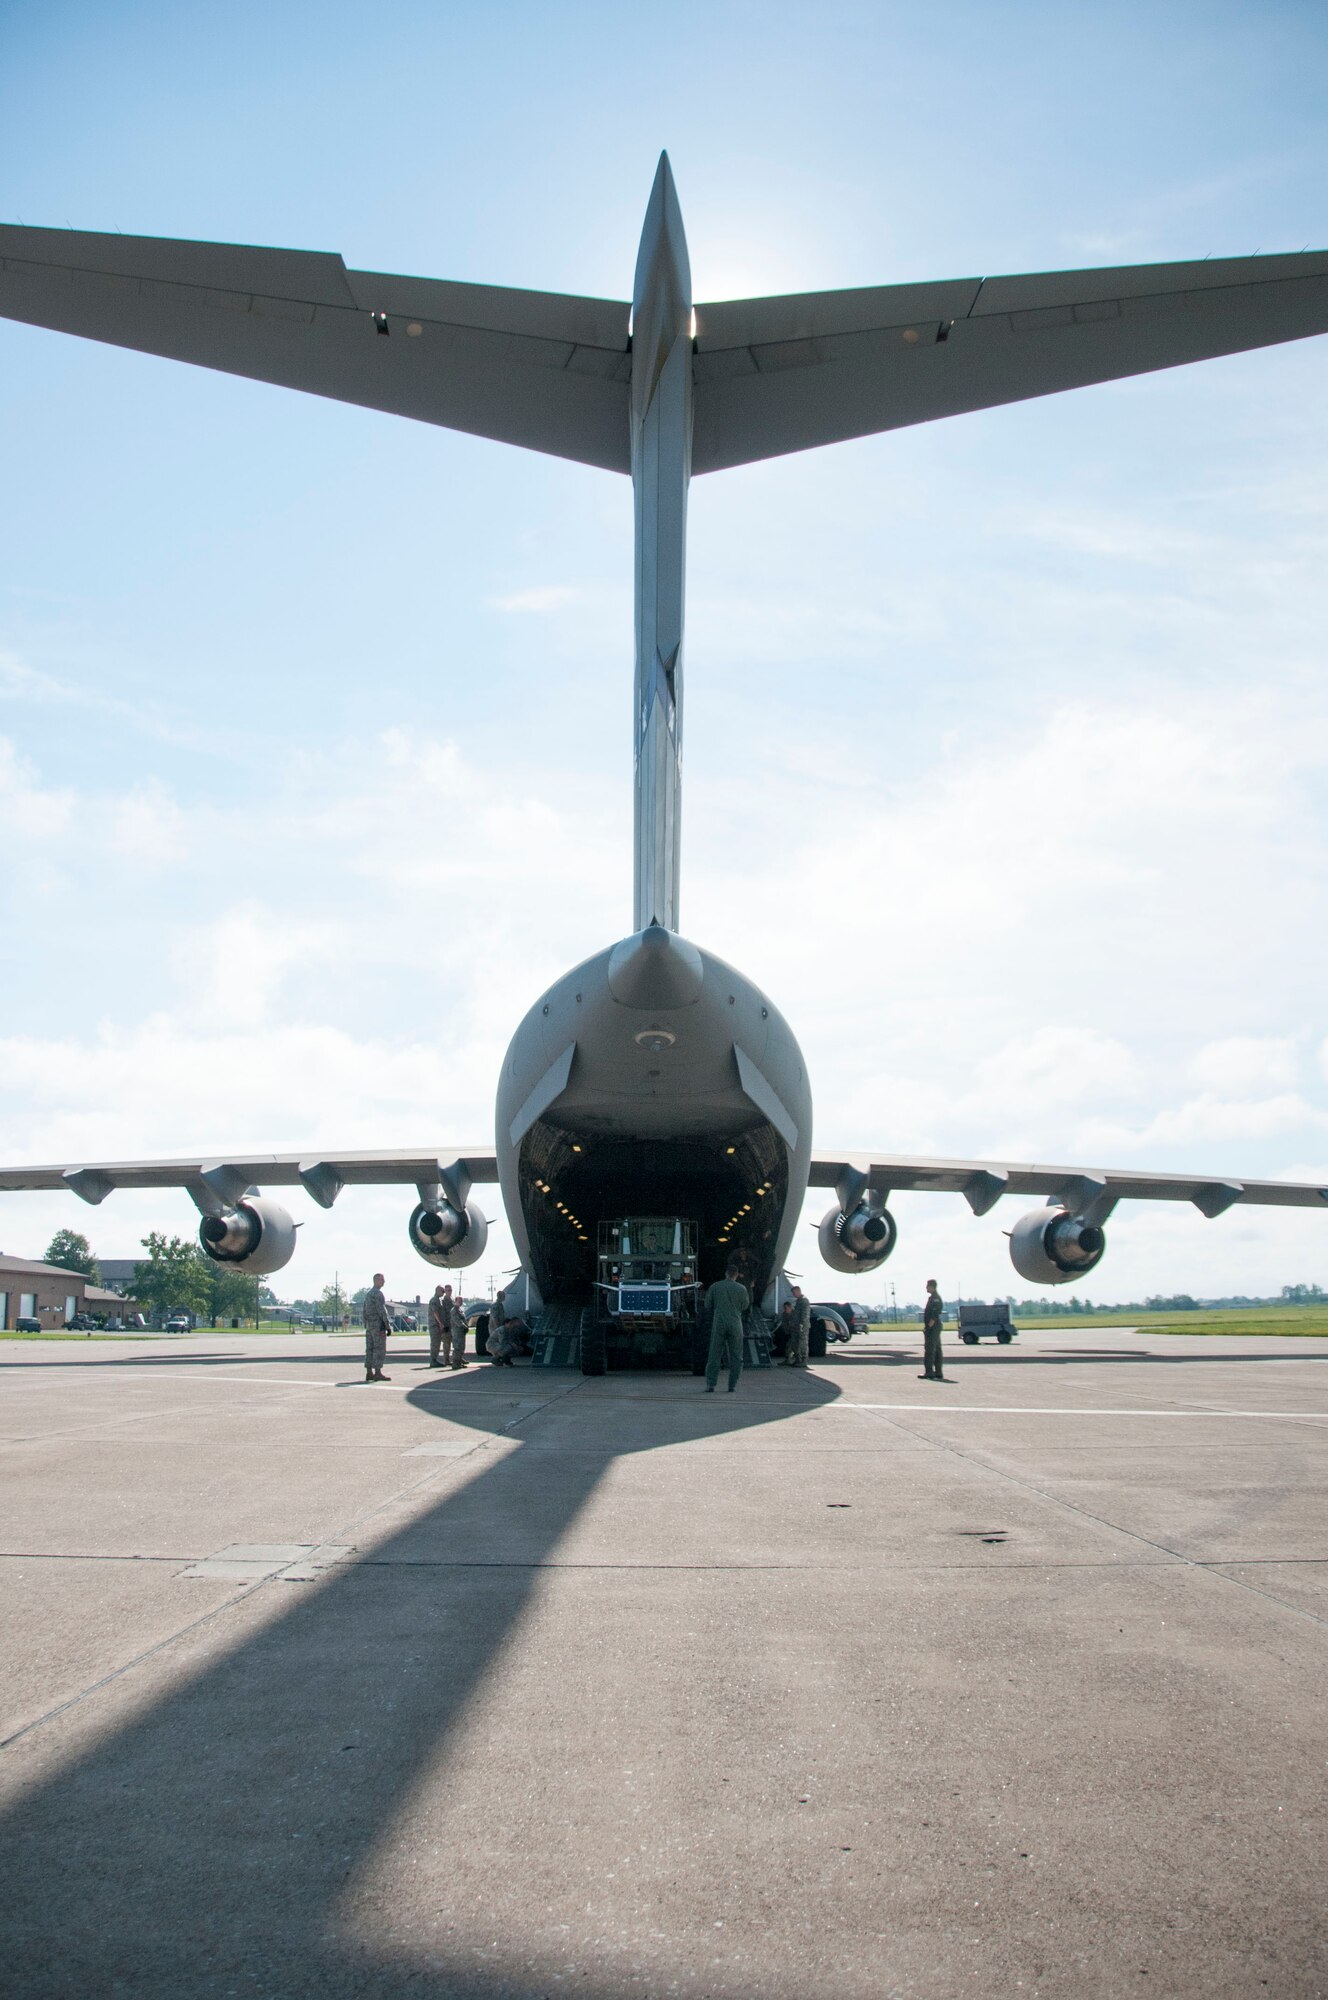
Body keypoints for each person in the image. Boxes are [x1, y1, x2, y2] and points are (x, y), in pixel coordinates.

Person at [703, 1259, 750, 1393]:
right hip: (735, 1323)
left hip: (719, 1323)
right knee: (736, 1356)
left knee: (714, 1355)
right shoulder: (742, 1289)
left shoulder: (715, 1286)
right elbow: (745, 1306)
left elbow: (707, 1305)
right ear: (736, 1275)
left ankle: (711, 1384)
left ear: (726, 1274)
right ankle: (732, 1385)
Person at [362, 1273, 393, 1383]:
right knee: (379, 1349)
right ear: (376, 1280)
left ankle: (369, 1372)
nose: (384, 1281)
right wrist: (387, 1325)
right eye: (382, 1280)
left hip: (370, 1326)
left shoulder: (368, 1294)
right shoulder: (378, 1294)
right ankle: (378, 1372)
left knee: (369, 1349)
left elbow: (364, 1310)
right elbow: (382, 1310)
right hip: (378, 1325)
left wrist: (366, 1323)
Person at [920, 1278, 947, 1382]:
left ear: (932, 1287)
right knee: (937, 1349)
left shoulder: (935, 1298)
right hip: (935, 1326)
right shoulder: (934, 1297)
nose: (926, 1288)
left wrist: (928, 1327)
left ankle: (929, 1372)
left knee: (930, 1349)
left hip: (933, 1326)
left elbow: (934, 1315)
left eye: (927, 1286)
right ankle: (938, 1372)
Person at [487, 1288, 516, 1366]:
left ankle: (501, 1359)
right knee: (500, 1344)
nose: (504, 1297)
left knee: (502, 1344)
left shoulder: (500, 1305)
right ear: (500, 1296)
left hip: (499, 1327)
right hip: (495, 1328)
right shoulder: (495, 1305)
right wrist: (498, 1328)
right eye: (503, 1295)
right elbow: (494, 1318)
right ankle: (496, 1359)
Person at [427, 1284, 452, 1368]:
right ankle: (433, 1361)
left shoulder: (439, 1300)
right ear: (438, 1291)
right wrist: (440, 1323)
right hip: (435, 1325)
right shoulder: (434, 1300)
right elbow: (435, 1312)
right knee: (435, 1343)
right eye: (443, 1291)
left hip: (438, 1326)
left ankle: (434, 1360)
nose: (444, 1293)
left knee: (437, 1344)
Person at [786, 1285, 811, 1368]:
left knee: (803, 1343)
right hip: (797, 1325)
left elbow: (805, 1314)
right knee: (796, 1343)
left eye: (794, 1293)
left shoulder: (804, 1300)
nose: (793, 1295)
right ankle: (798, 1360)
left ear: (798, 1291)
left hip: (802, 1326)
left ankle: (804, 1360)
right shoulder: (799, 1300)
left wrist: (802, 1324)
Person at [448, 1291, 468, 1369]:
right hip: (457, 1331)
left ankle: (459, 1362)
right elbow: (457, 1321)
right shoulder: (454, 1310)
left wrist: (466, 1326)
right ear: (455, 1301)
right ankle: (456, 1363)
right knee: (457, 1347)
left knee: (461, 1347)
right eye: (459, 1301)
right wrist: (464, 1326)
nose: (460, 1303)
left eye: (461, 1301)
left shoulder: (460, 1310)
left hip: (461, 1332)